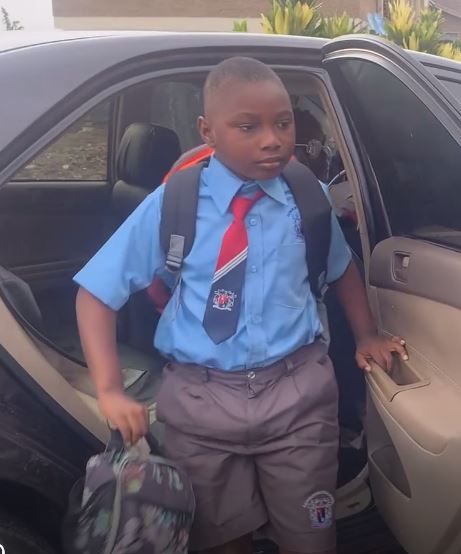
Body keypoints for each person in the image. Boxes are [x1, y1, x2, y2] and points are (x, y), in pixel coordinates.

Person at [74, 57, 408, 554]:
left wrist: (366, 334)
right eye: (248, 127)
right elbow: (97, 293)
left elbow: (340, 269)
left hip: (297, 397)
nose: (272, 140)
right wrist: (109, 389)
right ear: (208, 131)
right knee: (220, 539)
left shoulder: (309, 197)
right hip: (200, 405)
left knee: (312, 537)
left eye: (283, 123)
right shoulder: (173, 203)